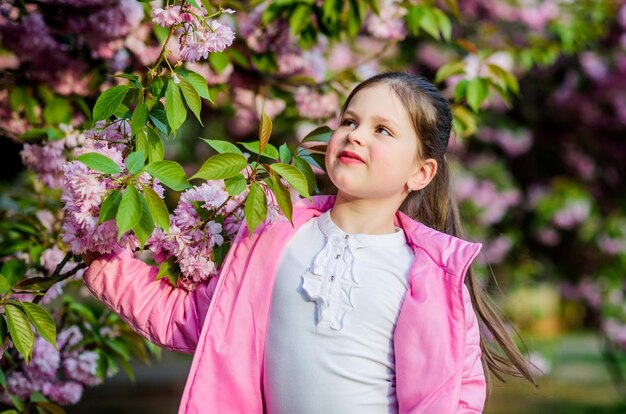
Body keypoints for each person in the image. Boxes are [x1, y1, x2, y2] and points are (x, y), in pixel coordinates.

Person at [82, 72, 536, 413]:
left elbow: (458, 394)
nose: (355, 134)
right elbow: (196, 319)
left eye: (383, 130)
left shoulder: (431, 277)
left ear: (420, 173)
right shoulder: (274, 235)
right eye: (350, 120)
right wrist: (99, 250)